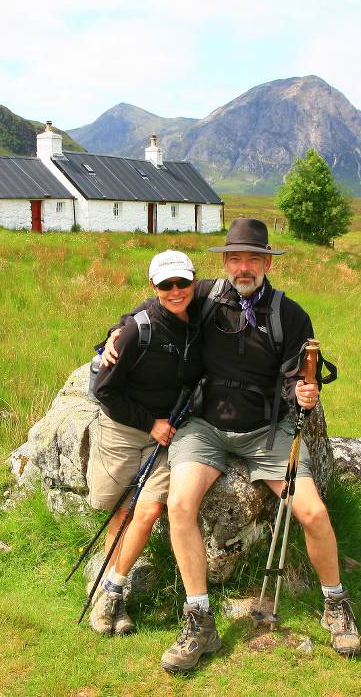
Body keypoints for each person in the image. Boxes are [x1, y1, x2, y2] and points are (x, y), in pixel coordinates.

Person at [103, 219, 361, 672]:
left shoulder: (289, 314)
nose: (244, 267)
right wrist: (111, 335)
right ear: (224, 262)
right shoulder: (203, 296)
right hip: (205, 428)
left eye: (253, 259)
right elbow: (158, 307)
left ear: (266, 262)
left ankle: (335, 604)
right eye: (236, 258)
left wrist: (306, 391)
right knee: (181, 505)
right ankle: (199, 619)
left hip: (267, 432)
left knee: (312, 512)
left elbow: (301, 372)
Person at [86, 250, 204, 636]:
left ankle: (112, 593)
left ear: (193, 282)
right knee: (119, 511)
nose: (175, 291)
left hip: (169, 434)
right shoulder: (137, 329)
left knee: (149, 510)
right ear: (153, 287)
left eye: (182, 283)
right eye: (166, 285)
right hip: (125, 427)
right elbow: (105, 390)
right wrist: (149, 423)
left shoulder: (202, 313)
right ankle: (107, 591)